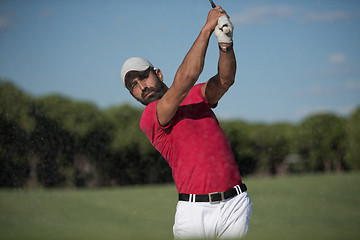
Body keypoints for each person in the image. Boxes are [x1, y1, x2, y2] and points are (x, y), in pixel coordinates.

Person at [120, 6, 252, 239]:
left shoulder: (197, 95)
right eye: (134, 86)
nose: (142, 87)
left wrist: (225, 42)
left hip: (235, 204)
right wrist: (207, 29)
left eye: (143, 77)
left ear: (158, 73)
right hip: (194, 212)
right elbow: (185, 79)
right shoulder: (150, 116)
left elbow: (225, 79)